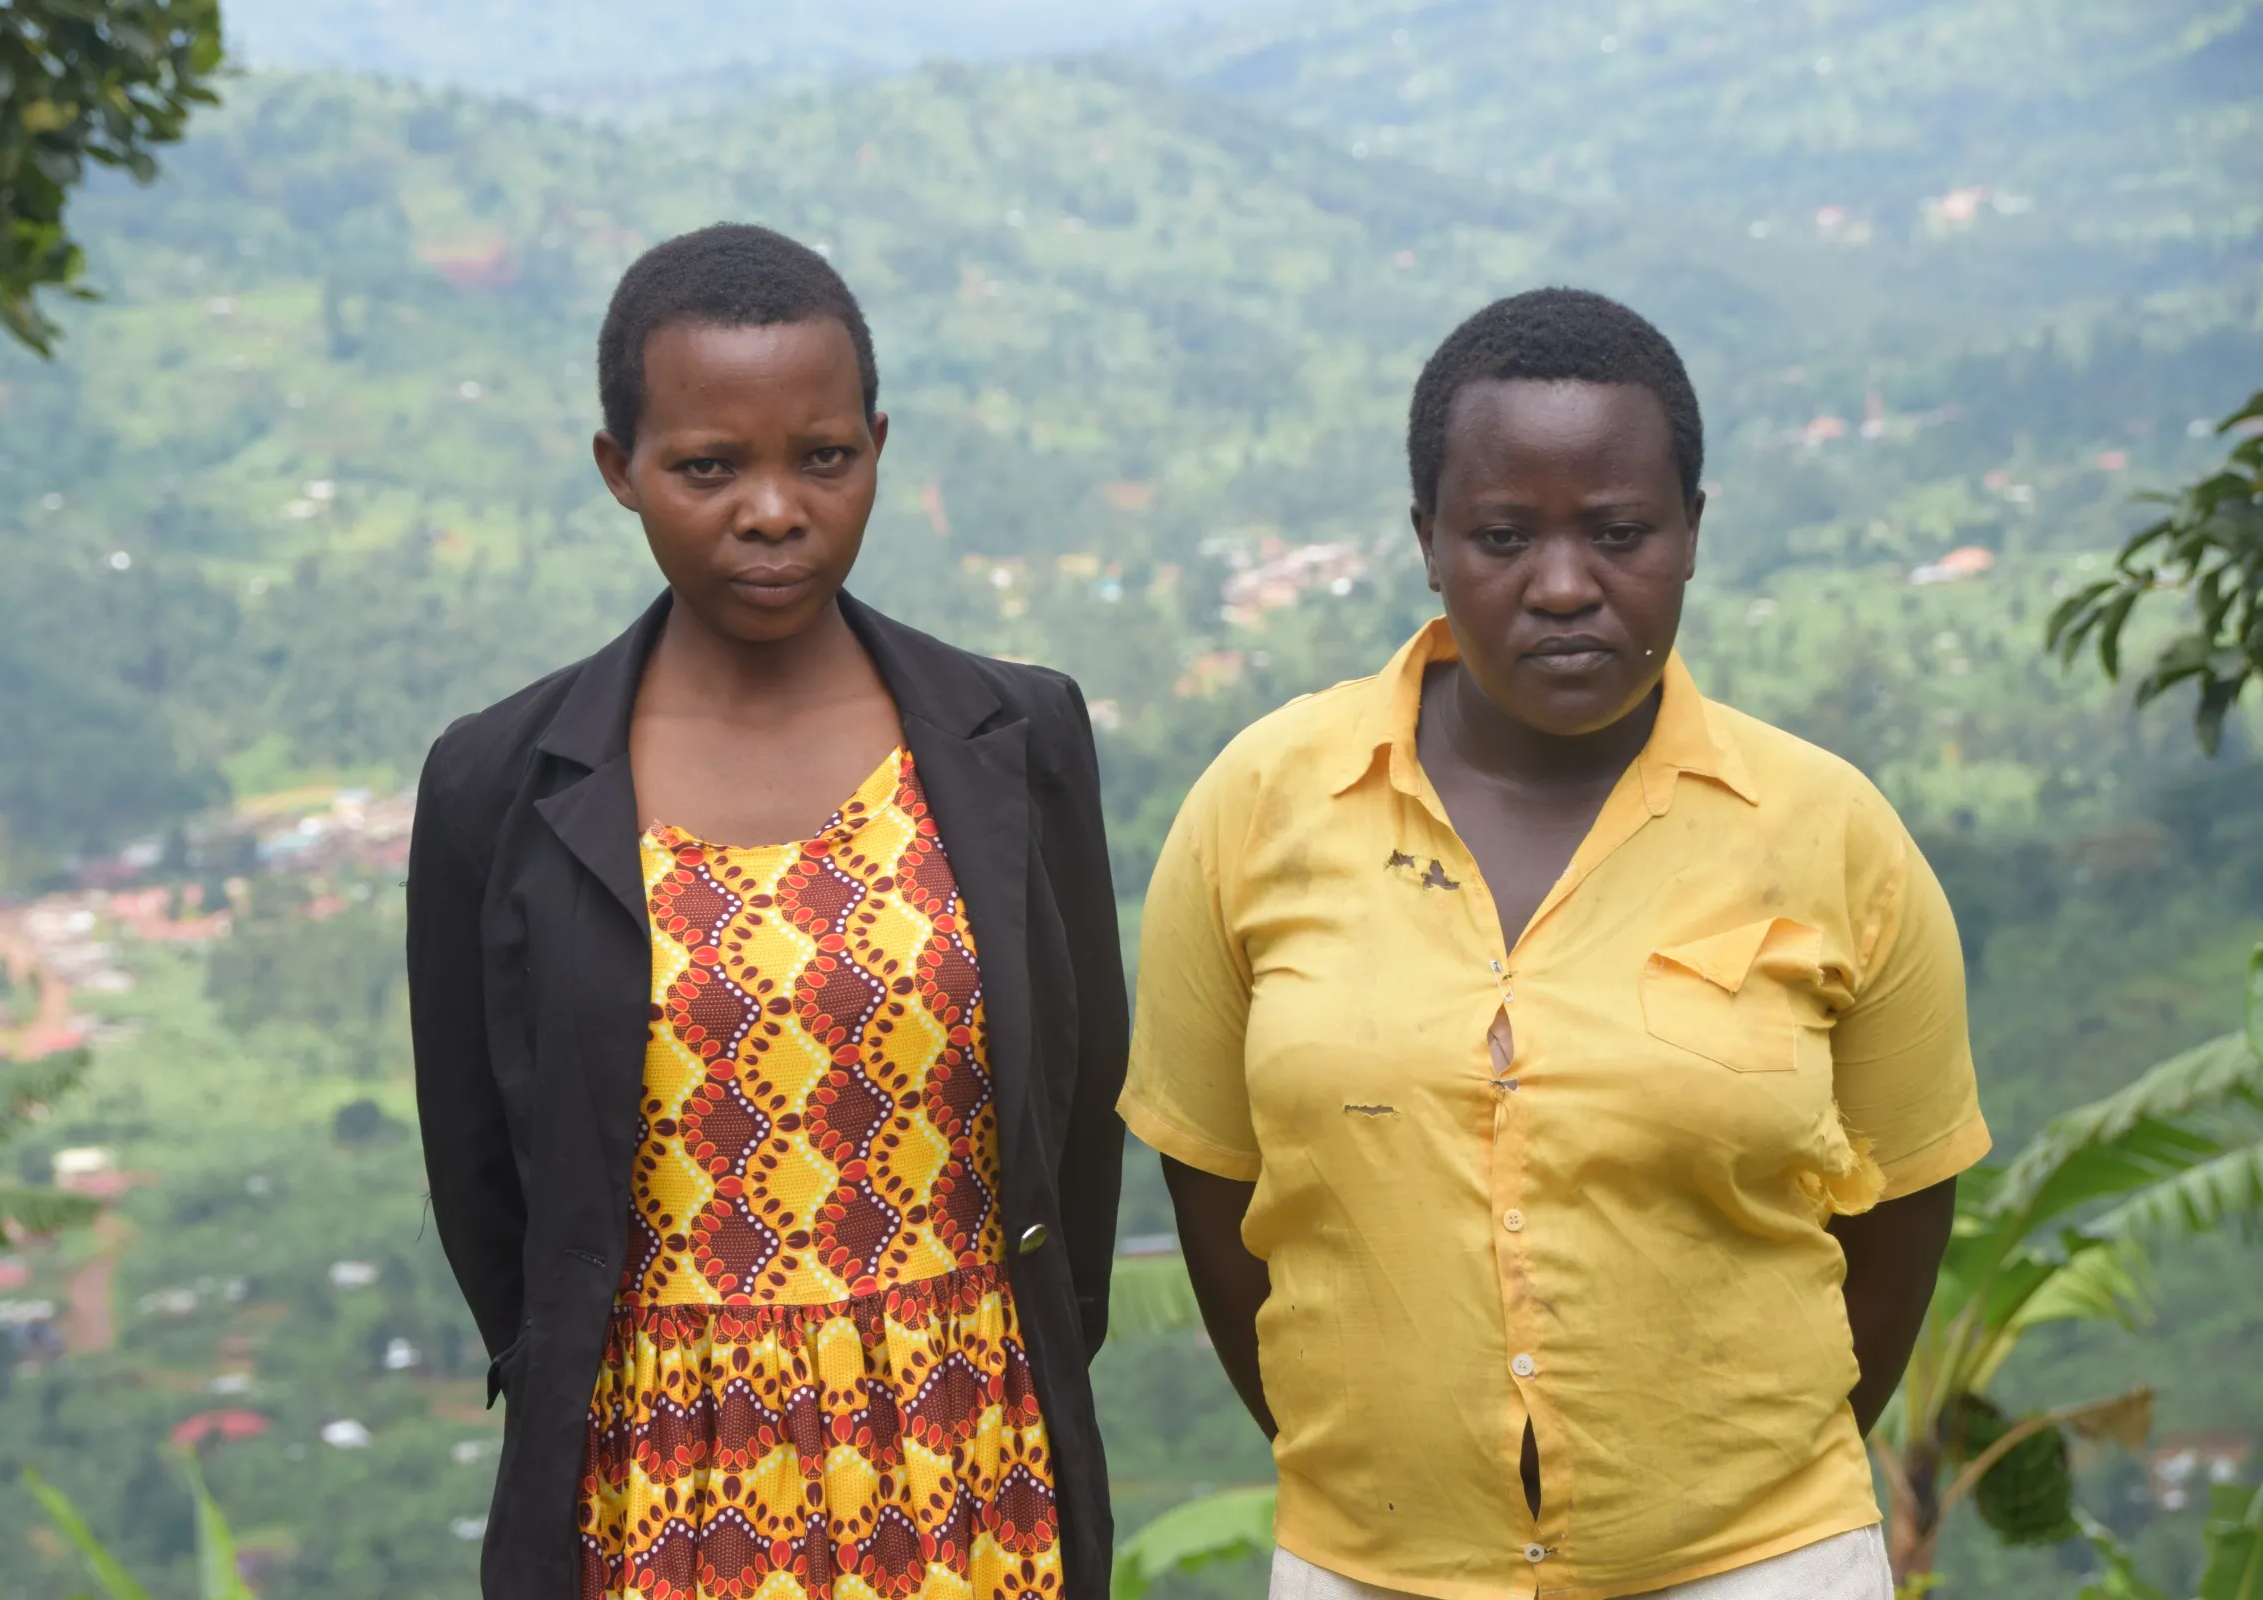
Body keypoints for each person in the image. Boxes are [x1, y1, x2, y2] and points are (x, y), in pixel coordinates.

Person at [1120, 288, 1987, 1600]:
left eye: (1621, 531)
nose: (1567, 586)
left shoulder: (1832, 837)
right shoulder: (1257, 811)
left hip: (1760, 1565)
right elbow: (1212, 1183)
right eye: (1504, 535)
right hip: (1372, 1566)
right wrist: (1379, 1478)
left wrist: (1720, 1496)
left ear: (1692, 531)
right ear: (1428, 541)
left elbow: (1905, 1209)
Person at [408, 223, 1128, 1600]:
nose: (774, 510)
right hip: (661, 1485)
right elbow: (486, 1181)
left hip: (974, 1457)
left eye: (823, 456)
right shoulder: (500, 783)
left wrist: (1003, 1359)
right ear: (620, 470)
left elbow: (1080, 1101)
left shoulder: (1013, 734)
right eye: (707, 466)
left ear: (878, 445)